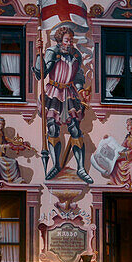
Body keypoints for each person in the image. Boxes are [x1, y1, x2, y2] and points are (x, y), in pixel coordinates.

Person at [33, 25, 92, 183]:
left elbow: (79, 76)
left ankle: (81, 168)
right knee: (52, 127)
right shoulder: (53, 52)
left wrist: (80, 90)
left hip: (69, 93)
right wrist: (40, 55)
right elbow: (41, 73)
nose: (70, 43)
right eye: (67, 40)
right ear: (60, 40)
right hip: (54, 92)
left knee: (74, 128)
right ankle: (56, 165)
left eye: (71, 40)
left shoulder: (75, 54)